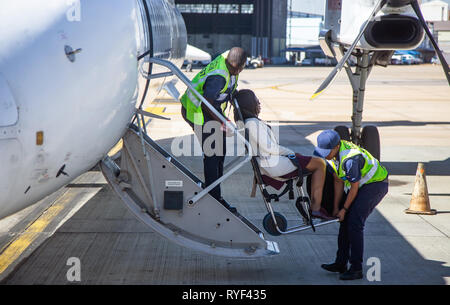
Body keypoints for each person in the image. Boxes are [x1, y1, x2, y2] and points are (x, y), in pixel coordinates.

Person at [234, 89, 333, 220]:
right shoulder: (252, 124)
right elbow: (269, 148)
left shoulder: (250, 122)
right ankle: (315, 209)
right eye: (256, 101)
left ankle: (316, 205)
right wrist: (291, 153)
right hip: (273, 164)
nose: (259, 103)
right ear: (249, 104)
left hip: (271, 162)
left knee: (314, 164)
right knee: (320, 164)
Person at [314, 129, 389, 280]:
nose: (324, 155)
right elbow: (338, 180)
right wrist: (336, 208)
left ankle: (356, 268)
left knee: (354, 223)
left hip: (375, 185)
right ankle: (340, 263)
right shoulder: (334, 155)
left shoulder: (350, 159)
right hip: (361, 186)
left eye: (326, 152)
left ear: (336, 147)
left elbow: (354, 188)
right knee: (344, 223)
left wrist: (345, 208)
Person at [180, 47, 247, 212]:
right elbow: (207, 102)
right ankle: (214, 198)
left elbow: (226, 91)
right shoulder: (219, 76)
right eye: (235, 70)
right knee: (213, 154)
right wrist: (224, 122)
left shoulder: (228, 61)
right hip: (197, 112)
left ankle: (212, 189)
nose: (237, 72)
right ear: (239, 66)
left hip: (209, 112)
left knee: (220, 152)